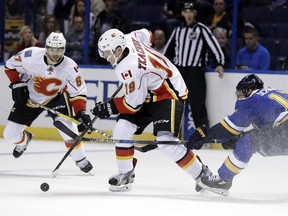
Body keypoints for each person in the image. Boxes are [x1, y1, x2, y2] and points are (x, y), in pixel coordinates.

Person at [91, 28, 212, 192]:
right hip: (149, 90)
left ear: (118, 49)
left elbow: (133, 104)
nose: (106, 57)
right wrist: (145, 70)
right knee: (121, 129)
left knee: (166, 142)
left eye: (107, 53)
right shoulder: (126, 38)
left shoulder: (129, 68)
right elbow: (147, 34)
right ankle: (125, 173)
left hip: (169, 92)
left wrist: (108, 107)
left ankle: (202, 175)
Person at [3, 32, 93, 174]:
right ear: (46, 47)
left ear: (64, 49)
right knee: (10, 135)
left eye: (60, 49)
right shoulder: (30, 55)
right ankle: (25, 139)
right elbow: (9, 66)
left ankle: (80, 159)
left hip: (56, 97)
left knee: (68, 128)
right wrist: (17, 84)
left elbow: (78, 91)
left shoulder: (70, 66)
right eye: (52, 48)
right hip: (30, 97)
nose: (56, 53)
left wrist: (81, 112)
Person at [187, 74, 288, 196]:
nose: (239, 96)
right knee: (250, 138)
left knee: (250, 141)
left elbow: (227, 129)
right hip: (283, 129)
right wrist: (236, 138)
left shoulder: (253, 99)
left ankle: (223, 180)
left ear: (249, 90)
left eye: (240, 92)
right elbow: (269, 129)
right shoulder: (272, 94)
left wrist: (205, 135)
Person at [163, 1, 225, 129]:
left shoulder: (201, 29)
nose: (189, 14)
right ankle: (171, 132)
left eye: (191, 12)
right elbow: (167, 50)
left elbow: (214, 47)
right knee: (176, 103)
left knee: (197, 104)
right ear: (182, 13)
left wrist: (219, 63)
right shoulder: (178, 30)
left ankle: (202, 135)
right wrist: (162, 66)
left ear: (195, 13)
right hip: (179, 72)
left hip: (195, 72)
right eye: (186, 12)